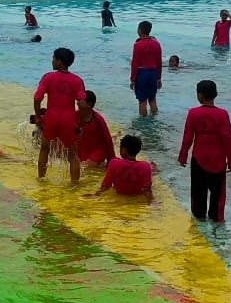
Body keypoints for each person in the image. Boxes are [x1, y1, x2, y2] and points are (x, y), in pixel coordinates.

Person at [177, 79, 231, 223]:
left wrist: (183, 155)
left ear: (200, 96)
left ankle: (199, 223)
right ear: (215, 94)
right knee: (218, 197)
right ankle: (217, 225)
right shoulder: (223, 114)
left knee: (198, 195)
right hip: (218, 160)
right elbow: (227, 138)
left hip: (198, 159)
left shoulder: (193, 113)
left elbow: (188, 137)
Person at [32, 47, 86, 181]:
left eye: (53, 58)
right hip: (69, 119)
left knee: (45, 148)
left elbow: (37, 98)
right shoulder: (77, 80)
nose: (52, 61)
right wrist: (80, 122)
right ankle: (74, 183)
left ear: (59, 62)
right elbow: (83, 104)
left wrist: (38, 116)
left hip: (51, 117)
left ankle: (41, 179)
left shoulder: (48, 77)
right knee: (73, 154)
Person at [88, 135, 156, 198]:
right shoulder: (145, 166)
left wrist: (96, 195)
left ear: (124, 150)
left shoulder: (114, 163)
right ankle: (154, 169)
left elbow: (106, 185)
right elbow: (147, 190)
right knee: (152, 171)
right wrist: (152, 202)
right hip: (135, 197)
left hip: (119, 195)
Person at [130, 20, 163, 117]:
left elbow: (134, 63)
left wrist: (132, 79)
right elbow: (159, 62)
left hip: (142, 73)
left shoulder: (137, 45)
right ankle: (154, 119)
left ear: (139, 30)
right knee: (152, 99)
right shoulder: (156, 44)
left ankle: (143, 126)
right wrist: (158, 78)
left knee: (142, 101)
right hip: (153, 73)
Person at [75, 91, 116, 168]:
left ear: (89, 104)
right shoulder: (75, 116)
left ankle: (101, 165)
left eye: (80, 100)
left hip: (98, 149)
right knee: (79, 165)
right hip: (83, 147)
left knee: (86, 167)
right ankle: (99, 165)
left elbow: (107, 138)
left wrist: (111, 160)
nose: (77, 102)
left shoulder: (98, 119)